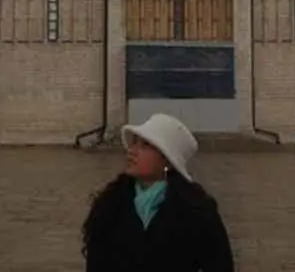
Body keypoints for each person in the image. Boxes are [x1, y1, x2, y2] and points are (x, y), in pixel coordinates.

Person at [82, 113, 234, 271]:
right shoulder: (109, 205)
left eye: (145, 145)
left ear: (167, 160)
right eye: (134, 143)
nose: (132, 151)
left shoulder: (198, 211)